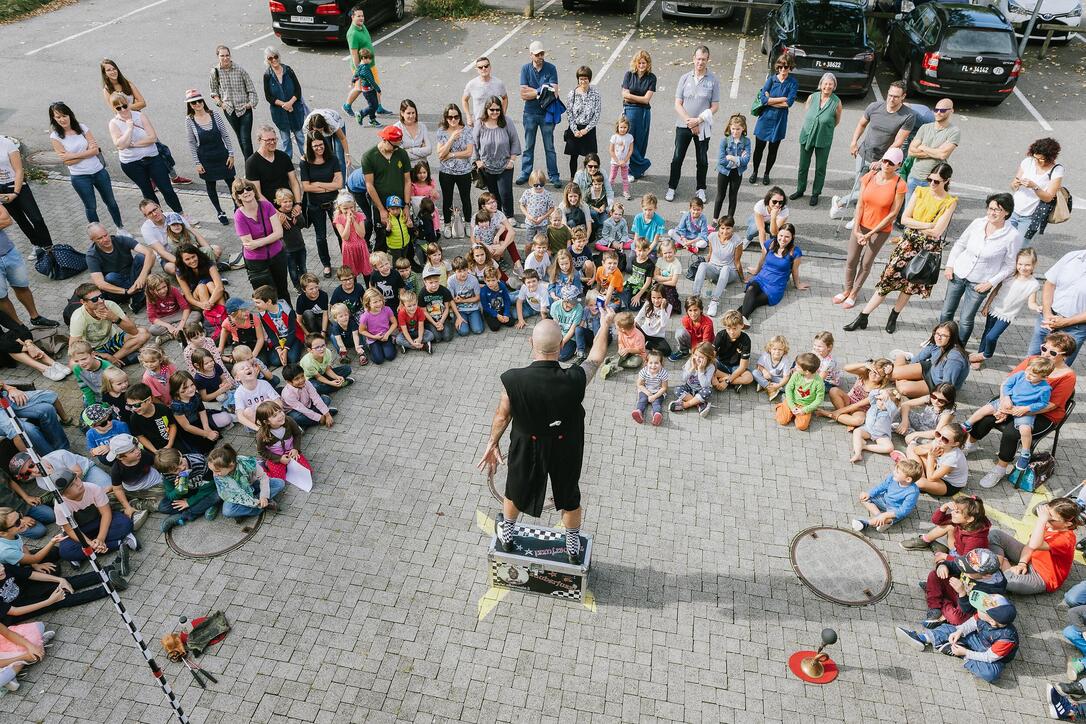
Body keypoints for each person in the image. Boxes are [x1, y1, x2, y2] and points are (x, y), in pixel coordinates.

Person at [479, 304, 613, 564]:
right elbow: (595, 358)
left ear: (531, 342)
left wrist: (492, 442)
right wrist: (605, 323)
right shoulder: (575, 378)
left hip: (526, 444)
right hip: (566, 445)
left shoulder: (513, 379)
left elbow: (501, 416)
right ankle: (572, 544)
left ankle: (508, 533)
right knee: (569, 495)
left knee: (515, 490)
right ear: (562, 343)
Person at [847, 162, 958, 334]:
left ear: (946, 181)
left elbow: (937, 231)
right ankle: (863, 316)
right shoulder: (920, 192)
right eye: (930, 179)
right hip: (906, 245)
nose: (932, 184)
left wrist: (920, 226)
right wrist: (927, 224)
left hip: (925, 250)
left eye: (936, 181)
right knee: (886, 281)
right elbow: (905, 219)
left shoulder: (950, 202)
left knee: (909, 286)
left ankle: (893, 317)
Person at [966, 332, 1077, 489]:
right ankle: (971, 444)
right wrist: (1005, 402)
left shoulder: (1068, 376)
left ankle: (1000, 468)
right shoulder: (1033, 360)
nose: (1045, 354)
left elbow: (1052, 405)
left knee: (1012, 433)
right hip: (1014, 402)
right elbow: (1008, 382)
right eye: (1044, 348)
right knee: (987, 416)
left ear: (1064, 356)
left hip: (1041, 413)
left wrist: (1019, 411)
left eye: (1052, 353)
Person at [939, 193, 1022, 344]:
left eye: (998, 210)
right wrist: (949, 265)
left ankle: (959, 348)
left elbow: (1010, 265)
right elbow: (960, 244)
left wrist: (991, 283)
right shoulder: (978, 223)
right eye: (990, 208)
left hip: (980, 283)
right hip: (958, 274)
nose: (992, 212)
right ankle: (938, 341)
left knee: (965, 319)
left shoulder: (1012, 236)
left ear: (1007, 212)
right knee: (946, 312)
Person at [829, 80, 914, 219]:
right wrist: (853, 142)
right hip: (864, 154)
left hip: (885, 161)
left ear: (903, 96)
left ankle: (842, 205)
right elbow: (862, 124)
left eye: (896, 97)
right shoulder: (874, 106)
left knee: (870, 189)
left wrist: (882, 161)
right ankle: (850, 210)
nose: (891, 99)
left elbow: (898, 142)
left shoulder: (908, 116)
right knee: (860, 187)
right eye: (890, 95)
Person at [836, 147, 907, 311]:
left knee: (866, 263)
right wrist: (856, 230)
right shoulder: (869, 176)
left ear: (898, 165)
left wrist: (869, 234)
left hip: (880, 230)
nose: (887, 165)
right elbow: (860, 204)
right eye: (885, 161)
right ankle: (846, 289)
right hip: (861, 225)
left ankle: (854, 293)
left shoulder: (899, 184)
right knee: (851, 260)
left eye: (891, 163)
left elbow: (892, 215)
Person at [895, 593, 1018, 684]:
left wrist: (965, 653)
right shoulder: (985, 616)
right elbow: (971, 624)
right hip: (977, 639)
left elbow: (988, 657)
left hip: (992, 657)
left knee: (991, 674)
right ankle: (922, 638)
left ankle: (960, 653)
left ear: (991, 620)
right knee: (951, 629)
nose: (977, 609)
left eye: (980, 608)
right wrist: (960, 631)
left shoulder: (1006, 639)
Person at [963, 356, 1052, 472]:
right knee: (985, 410)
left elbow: (1043, 403)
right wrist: (1007, 398)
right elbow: (1007, 385)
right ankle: (967, 424)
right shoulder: (1021, 375)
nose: (1028, 376)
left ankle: (1025, 453)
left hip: (1023, 411)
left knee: (1025, 430)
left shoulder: (1045, 389)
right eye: (1028, 371)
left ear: (1044, 377)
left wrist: (1027, 408)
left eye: (1033, 375)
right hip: (1007, 402)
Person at [47, 101, 123, 229]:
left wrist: (73, 155)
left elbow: (96, 150)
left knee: (111, 202)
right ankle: (98, 234)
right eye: (58, 117)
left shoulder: (82, 128)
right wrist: (87, 153)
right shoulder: (55, 136)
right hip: (80, 177)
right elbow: (67, 162)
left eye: (64, 115)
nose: (62, 119)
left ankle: (120, 228)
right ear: (54, 119)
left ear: (70, 115)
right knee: (91, 207)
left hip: (99, 172)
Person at [108, 93, 184, 214]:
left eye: (124, 106)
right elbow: (120, 145)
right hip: (132, 163)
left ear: (129, 104)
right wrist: (129, 128)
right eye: (118, 108)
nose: (122, 109)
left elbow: (153, 138)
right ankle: (159, 217)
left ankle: (180, 214)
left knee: (167, 189)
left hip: (153, 158)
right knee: (148, 192)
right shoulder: (114, 123)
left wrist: (132, 144)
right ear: (114, 109)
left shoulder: (139, 116)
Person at [989, 498, 1079, 595]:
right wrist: (1022, 563)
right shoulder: (1049, 525)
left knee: (1009, 582)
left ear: (1067, 523)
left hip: (1043, 575)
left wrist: (1042, 520)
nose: (1047, 520)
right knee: (995, 535)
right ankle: (1002, 566)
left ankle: (1002, 563)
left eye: (1051, 519)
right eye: (1047, 515)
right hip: (1032, 558)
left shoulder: (1066, 539)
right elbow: (1029, 546)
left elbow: (1034, 544)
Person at [666, 46, 719, 203]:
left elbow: (715, 106)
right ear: (693, 59)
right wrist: (690, 122)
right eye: (698, 59)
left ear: (707, 60)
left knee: (702, 159)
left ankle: (701, 189)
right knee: (677, 158)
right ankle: (671, 187)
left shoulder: (713, 80)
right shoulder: (684, 78)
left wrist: (699, 120)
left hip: (703, 127)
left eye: (703, 59)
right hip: (684, 125)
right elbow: (677, 104)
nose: (700, 62)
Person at [183, 89, 235, 226]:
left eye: (199, 101)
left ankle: (238, 207)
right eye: (193, 103)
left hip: (222, 155)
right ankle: (220, 211)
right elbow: (191, 142)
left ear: (203, 101)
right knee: (210, 186)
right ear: (190, 105)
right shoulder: (189, 120)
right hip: (205, 158)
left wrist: (231, 154)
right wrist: (197, 162)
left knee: (232, 183)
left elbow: (226, 135)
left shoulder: (215, 115)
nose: (197, 104)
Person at [740, 223, 808, 327]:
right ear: (777, 234)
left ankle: (737, 319)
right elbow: (762, 260)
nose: (783, 239)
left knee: (755, 301)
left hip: (775, 286)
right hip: (761, 279)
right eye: (781, 235)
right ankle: (742, 320)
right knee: (751, 289)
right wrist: (756, 270)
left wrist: (797, 284)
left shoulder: (795, 252)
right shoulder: (770, 244)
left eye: (787, 237)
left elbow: (795, 270)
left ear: (792, 237)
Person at [68, 282, 151, 367]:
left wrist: (115, 318)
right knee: (73, 364)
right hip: (93, 350)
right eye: (94, 299)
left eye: (101, 296)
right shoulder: (78, 317)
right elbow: (72, 348)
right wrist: (101, 355)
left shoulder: (110, 305)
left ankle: (110, 362)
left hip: (111, 342)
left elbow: (134, 331)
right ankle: (121, 360)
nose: (101, 301)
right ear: (84, 302)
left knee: (143, 333)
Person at [233, 179, 289, 301]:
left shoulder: (266, 205)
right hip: (256, 262)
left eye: (248, 188)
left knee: (283, 291)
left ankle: (289, 318)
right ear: (237, 196)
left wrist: (258, 242)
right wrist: (270, 238)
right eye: (241, 191)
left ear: (253, 190)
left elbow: (279, 233)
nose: (246, 192)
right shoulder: (239, 216)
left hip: (277, 255)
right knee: (266, 297)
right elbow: (248, 244)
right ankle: (270, 320)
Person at [1028, 248, 1086, 365]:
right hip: (1047, 319)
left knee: (1057, 367)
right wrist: (1047, 314)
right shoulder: (1072, 257)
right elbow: (1050, 284)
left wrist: (1066, 322)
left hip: (1075, 329)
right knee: (1031, 360)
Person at [791, 73, 841, 207]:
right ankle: (800, 190)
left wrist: (824, 127)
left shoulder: (836, 102)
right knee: (803, 166)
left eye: (830, 84)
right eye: (825, 83)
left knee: (820, 168)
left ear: (834, 86)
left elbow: (836, 120)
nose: (827, 86)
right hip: (807, 135)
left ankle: (815, 193)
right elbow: (808, 114)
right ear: (821, 84)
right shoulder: (812, 97)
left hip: (823, 138)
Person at [516, 41, 561, 188]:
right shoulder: (525, 69)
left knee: (550, 147)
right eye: (537, 54)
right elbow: (523, 94)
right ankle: (525, 173)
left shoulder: (551, 68)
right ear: (531, 55)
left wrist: (533, 91)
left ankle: (554, 176)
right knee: (528, 146)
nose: (540, 56)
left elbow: (553, 93)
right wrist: (540, 90)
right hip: (530, 114)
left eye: (542, 53)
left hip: (547, 114)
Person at [363, 126, 413, 254]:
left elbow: (408, 180)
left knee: (405, 231)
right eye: (394, 145)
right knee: (381, 236)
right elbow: (369, 185)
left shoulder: (402, 154)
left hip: (400, 204)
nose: (397, 148)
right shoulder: (369, 156)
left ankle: (408, 261)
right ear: (384, 140)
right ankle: (380, 266)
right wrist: (381, 209)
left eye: (398, 145)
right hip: (381, 204)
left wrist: (406, 205)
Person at [749, 54, 797, 186]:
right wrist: (782, 98)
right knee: (759, 148)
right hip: (765, 119)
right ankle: (755, 171)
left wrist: (771, 101)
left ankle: (766, 174)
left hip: (779, 121)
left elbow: (790, 103)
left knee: (773, 149)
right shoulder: (771, 80)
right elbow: (763, 100)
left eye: (786, 67)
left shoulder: (793, 82)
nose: (783, 69)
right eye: (780, 66)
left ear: (790, 67)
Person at [300, 135, 344, 278]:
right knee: (321, 237)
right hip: (315, 204)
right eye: (315, 146)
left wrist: (318, 184)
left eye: (321, 145)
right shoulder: (305, 161)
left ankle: (346, 260)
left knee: (340, 233)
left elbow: (339, 184)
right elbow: (306, 187)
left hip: (333, 203)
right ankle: (326, 264)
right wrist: (329, 186)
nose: (319, 148)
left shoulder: (332, 159)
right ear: (310, 147)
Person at [84, 223, 156, 311]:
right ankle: (140, 294)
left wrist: (142, 277)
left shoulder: (121, 240)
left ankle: (138, 296)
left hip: (134, 277)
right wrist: (126, 291)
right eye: (100, 238)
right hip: (118, 288)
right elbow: (100, 283)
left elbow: (150, 253)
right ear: (93, 240)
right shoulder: (92, 255)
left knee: (142, 257)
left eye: (106, 235)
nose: (105, 239)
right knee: (110, 277)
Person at [891, 321, 969, 399]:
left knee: (903, 389)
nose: (938, 338)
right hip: (930, 367)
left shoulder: (954, 358)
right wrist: (909, 368)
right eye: (937, 333)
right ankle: (903, 356)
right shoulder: (937, 343)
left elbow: (947, 384)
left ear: (952, 337)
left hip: (937, 383)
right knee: (893, 373)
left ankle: (899, 361)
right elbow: (919, 358)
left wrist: (937, 398)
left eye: (944, 335)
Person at [206, 444, 285, 520]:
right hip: (236, 496)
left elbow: (263, 477)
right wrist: (255, 503)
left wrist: (264, 496)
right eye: (212, 470)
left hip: (253, 485)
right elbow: (229, 495)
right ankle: (261, 507)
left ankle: (255, 506)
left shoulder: (246, 462)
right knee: (227, 511)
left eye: (217, 471)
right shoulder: (218, 476)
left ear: (230, 465)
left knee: (279, 483)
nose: (214, 474)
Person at [0, 134, 51, 252]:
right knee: (20, 219)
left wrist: (15, 193)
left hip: (18, 186)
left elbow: (19, 171)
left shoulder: (7, 144)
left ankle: (49, 247)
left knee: (36, 218)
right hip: (1, 190)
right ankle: (36, 245)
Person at [473, 98, 522, 221]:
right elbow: (473, 143)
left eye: (497, 109)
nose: (495, 112)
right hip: (487, 166)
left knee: (505, 193)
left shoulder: (506, 121)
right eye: (492, 110)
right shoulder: (480, 123)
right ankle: (497, 215)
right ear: (486, 110)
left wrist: (512, 160)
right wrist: (477, 160)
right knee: (493, 194)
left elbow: (514, 140)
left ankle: (509, 215)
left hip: (505, 164)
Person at [1009, 137, 1064, 245]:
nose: (1037, 161)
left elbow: (1048, 197)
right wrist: (1015, 184)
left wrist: (1034, 186)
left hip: (1030, 217)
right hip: (1012, 210)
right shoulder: (1027, 162)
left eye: (1041, 159)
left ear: (1051, 157)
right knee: (1003, 244)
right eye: (1035, 157)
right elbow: (1013, 184)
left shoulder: (1057, 170)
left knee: (1020, 249)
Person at [904, 98, 959, 205]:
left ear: (951, 111)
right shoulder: (925, 127)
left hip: (932, 181)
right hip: (914, 176)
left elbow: (943, 154)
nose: (938, 112)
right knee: (908, 211)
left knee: (925, 214)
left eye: (942, 110)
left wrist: (923, 147)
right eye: (936, 109)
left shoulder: (954, 131)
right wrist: (935, 152)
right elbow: (911, 152)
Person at [153, 449, 220, 533]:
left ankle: (184, 516)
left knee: (217, 496)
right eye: (176, 470)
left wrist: (189, 502)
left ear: (180, 453)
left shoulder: (200, 462)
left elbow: (210, 487)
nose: (182, 468)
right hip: (189, 492)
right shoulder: (167, 474)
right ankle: (206, 507)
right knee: (163, 507)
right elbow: (170, 495)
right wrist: (178, 491)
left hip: (205, 489)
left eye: (181, 462)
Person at [208, 45, 257, 158]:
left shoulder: (240, 70)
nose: (225, 58)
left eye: (227, 55)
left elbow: (251, 90)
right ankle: (249, 164)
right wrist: (221, 104)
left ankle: (250, 168)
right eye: (222, 56)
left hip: (244, 109)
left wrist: (250, 104)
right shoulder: (215, 72)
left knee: (245, 138)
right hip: (229, 110)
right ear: (218, 57)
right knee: (240, 137)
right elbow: (214, 91)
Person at [851, 458, 922, 533]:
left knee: (890, 519)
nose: (894, 472)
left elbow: (903, 511)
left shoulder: (913, 492)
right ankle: (879, 517)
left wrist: (886, 515)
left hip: (895, 508)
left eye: (897, 472)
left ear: (908, 479)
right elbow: (882, 486)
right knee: (864, 498)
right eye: (895, 470)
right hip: (884, 499)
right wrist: (869, 494)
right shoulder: (893, 477)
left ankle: (866, 523)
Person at [435, 103, 474, 234]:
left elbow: (469, 152)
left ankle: (468, 223)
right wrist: (451, 139)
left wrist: (451, 154)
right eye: (450, 117)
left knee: (466, 199)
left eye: (456, 117)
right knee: (447, 199)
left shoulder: (467, 130)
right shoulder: (441, 131)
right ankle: (447, 224)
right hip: (446, 172)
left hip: (464, 172)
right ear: (445, 118)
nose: (453, 120)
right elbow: (440, 155)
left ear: (459, 117)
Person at [344, 4, 389, 117]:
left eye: (362, 16)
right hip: (361, 67)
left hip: (370, 64)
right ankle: (347, 105)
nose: (361, 18)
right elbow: (354, 54)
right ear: (352, 17)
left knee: (376, 84)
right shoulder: (352, 33)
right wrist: (359, 70)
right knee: (359, 88)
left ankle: (379, 108)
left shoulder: (362, 27)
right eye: (358, 16)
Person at [262, 46, 307, 160]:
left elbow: (298, 90)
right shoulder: (267, 75)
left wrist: (290, 103)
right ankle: (287, 165)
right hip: (280, 113)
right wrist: (284, 104)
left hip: (295, 109)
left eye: (275, 57)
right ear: (267, 60)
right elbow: (269, 97)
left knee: (300, 137)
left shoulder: (288, 70)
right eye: (270, 58)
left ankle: (306, 160)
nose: (274, 60)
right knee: (285, 140)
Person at [692, 217, 742, 319]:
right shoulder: (712, 236)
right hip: (714, 269)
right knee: (702, 265)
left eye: (728, 228)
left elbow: (737, 261)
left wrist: (742, 277)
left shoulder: (737, 241)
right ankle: (695, 297)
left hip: (729, 272)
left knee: (725, 268)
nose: (725, 231)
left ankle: (714, 301)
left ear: (732, 228)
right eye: (722, 228)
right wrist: (704, 270)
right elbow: (710, 253)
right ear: (719, 228)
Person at [621, 50, 656, 181]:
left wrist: (630, 96)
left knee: (641, 142)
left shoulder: (651, 78)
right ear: (635, 63)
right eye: (639, 62)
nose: (641, 65)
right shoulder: (629, 75)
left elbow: (647, 100)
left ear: (648, 64)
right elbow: (624, 94)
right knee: (629, 140)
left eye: (644, 63)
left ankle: (638, 170)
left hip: (644, 113)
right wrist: (638, 98)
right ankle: (641, 165)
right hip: (629, 111)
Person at [905, 423, 968, 496]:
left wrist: (931, 456)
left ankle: (917, 475)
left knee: (920, 483)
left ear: (955, 444)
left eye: (945, 439)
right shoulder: (938, 442)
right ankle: (919, 475)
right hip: (936, 469)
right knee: (911, 447)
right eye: (938, 434)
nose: (939, 439)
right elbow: (916, 450)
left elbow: (931, 478)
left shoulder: (954, 458)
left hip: (948, 484)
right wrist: (929, 452)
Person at [245, 125, 303, 207]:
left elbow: (294, 182)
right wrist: (275, 213)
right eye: (268, 140)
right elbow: (257, 193)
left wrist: (298, 203)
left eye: (274, 139)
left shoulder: (283, 156)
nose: (272, 142)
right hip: (268, 209)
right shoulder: (252, 162)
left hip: (289, 204)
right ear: (259, 140)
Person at [564, 66, 601, 180]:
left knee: (590, 158)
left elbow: (597, 114)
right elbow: (569, 113)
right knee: (573, 157)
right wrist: (575, 130)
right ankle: (573, 178)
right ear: (578, 80)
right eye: (581, 79)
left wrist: (586, 129)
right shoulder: (572, 94)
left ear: (589, 79)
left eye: (585, 78)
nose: (583, 81)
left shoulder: (595, 94)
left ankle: (589, 179)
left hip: (588, 130)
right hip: (575, 129)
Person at [713, 114, 751, 221]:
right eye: (733, 129)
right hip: (724, 172)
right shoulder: (724, 141)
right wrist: (738, 160)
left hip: (737, 173)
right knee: (720, 196)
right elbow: (721, 160)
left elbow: (746, 160)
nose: (735, 131)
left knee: (733, 197)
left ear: (743, 128)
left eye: (738, 129)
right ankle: (715, 220)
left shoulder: (746, 141)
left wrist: (732, 158)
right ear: (730, 127)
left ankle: (729, 220)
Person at [849, 388, 901, 464]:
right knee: (857, 431)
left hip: (881, 435)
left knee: (889, 448)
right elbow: (871, 394)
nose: (881, 403)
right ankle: (858, 454)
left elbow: (892, 406)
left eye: (884, 403)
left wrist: (886, 399)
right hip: (867, 429)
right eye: (880, 400)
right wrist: (881, 392)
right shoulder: (874, 403)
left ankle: (864, 447)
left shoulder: (890, 412)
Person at [774, 352, 823, 431]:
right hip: (792, 400)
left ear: (806, 371)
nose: (795, 367)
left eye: (798, 366)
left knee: (801, 426)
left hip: (805, 405)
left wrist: (804, 410)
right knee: (781, 420)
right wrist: (792, 406)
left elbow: (819, 400)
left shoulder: (819, 382)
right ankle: (783, 406)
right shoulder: (796, 374)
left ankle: (793, 414)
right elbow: (789, 388)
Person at [280, 363, 336, 430]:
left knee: (326, 399)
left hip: (308, 404)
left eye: (302, 376)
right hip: (295, 411)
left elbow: (316, 398)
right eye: (297, 379)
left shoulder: (306, 382)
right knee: (295, 417)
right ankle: (321, 417)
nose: (301, 380)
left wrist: (327, 415)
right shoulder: (287, 394)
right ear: (289, 382)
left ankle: (306, 424)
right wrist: (320, 417)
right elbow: (302, 409)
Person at [710, 310, 754, 393]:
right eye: (728, 328)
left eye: (735, 328)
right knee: (708, 366)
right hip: (721, 363)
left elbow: (742, 366)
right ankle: (735, 382)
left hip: (736, 367)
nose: (731, 332)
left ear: (741, 325)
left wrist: (727, 381)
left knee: (749, 378)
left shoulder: (746, 340)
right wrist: (714, 376)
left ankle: (724, 380)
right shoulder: (721, 335)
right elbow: (711, 356)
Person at [462, 56, 508, 128]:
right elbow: (464, 100)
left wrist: (503, 115)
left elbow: (505, 98)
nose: (484, 68)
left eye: (486, 66)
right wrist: (468, 116)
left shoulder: (499, 83)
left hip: (495, 123)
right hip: (478, 123)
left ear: (490, 67)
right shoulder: (472, 84)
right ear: (477, 69)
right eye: (480, 67)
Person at [752, 335, 791, 400]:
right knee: (755, 372)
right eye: (774, 349)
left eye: (780, 349)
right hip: (766, 375)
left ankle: (764, 385)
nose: (777, 351)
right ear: (770, 349)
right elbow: (759, 365)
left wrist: (778, 385)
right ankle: (769, 387)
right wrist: (764, 371)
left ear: (784, 351)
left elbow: (786, 377)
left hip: (777, 378)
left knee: (788, 387)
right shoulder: (766, 355)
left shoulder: (785, 361)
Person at [394, 99, 431, 163]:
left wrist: (410, 150)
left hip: (422, 169)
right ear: (402, 113)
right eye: (408, 113)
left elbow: (429, 150)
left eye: (413, 113)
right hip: (405, 169)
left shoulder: (422, 126)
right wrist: (422, 153)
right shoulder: (396, 128)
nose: (411, 116)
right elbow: (401, 154)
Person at [609, 116, 634, 201]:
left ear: (628, 127)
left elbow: (630, 150)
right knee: (612, 176)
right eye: (621, 127)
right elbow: (611, 150)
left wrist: (625, 160)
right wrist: (617, 161)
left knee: (625, 177)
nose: (623, 129)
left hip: (625, 162)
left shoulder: (630, 137)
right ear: (618, 127)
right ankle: (609, 191)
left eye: (625, 127)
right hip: (615, 162)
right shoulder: (614, 137)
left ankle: (626, 191)